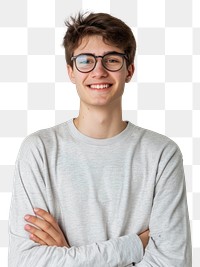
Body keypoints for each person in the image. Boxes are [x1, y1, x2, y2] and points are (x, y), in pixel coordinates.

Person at [8, 12, 192, 266]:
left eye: (112, 60)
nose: (99, 71)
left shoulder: (162, 154)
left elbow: (173, 262)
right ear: (71, 71)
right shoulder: (39, 150)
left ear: (129, 70)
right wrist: (133, 246)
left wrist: (66, 255)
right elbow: (25, 261)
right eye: (86, 60)